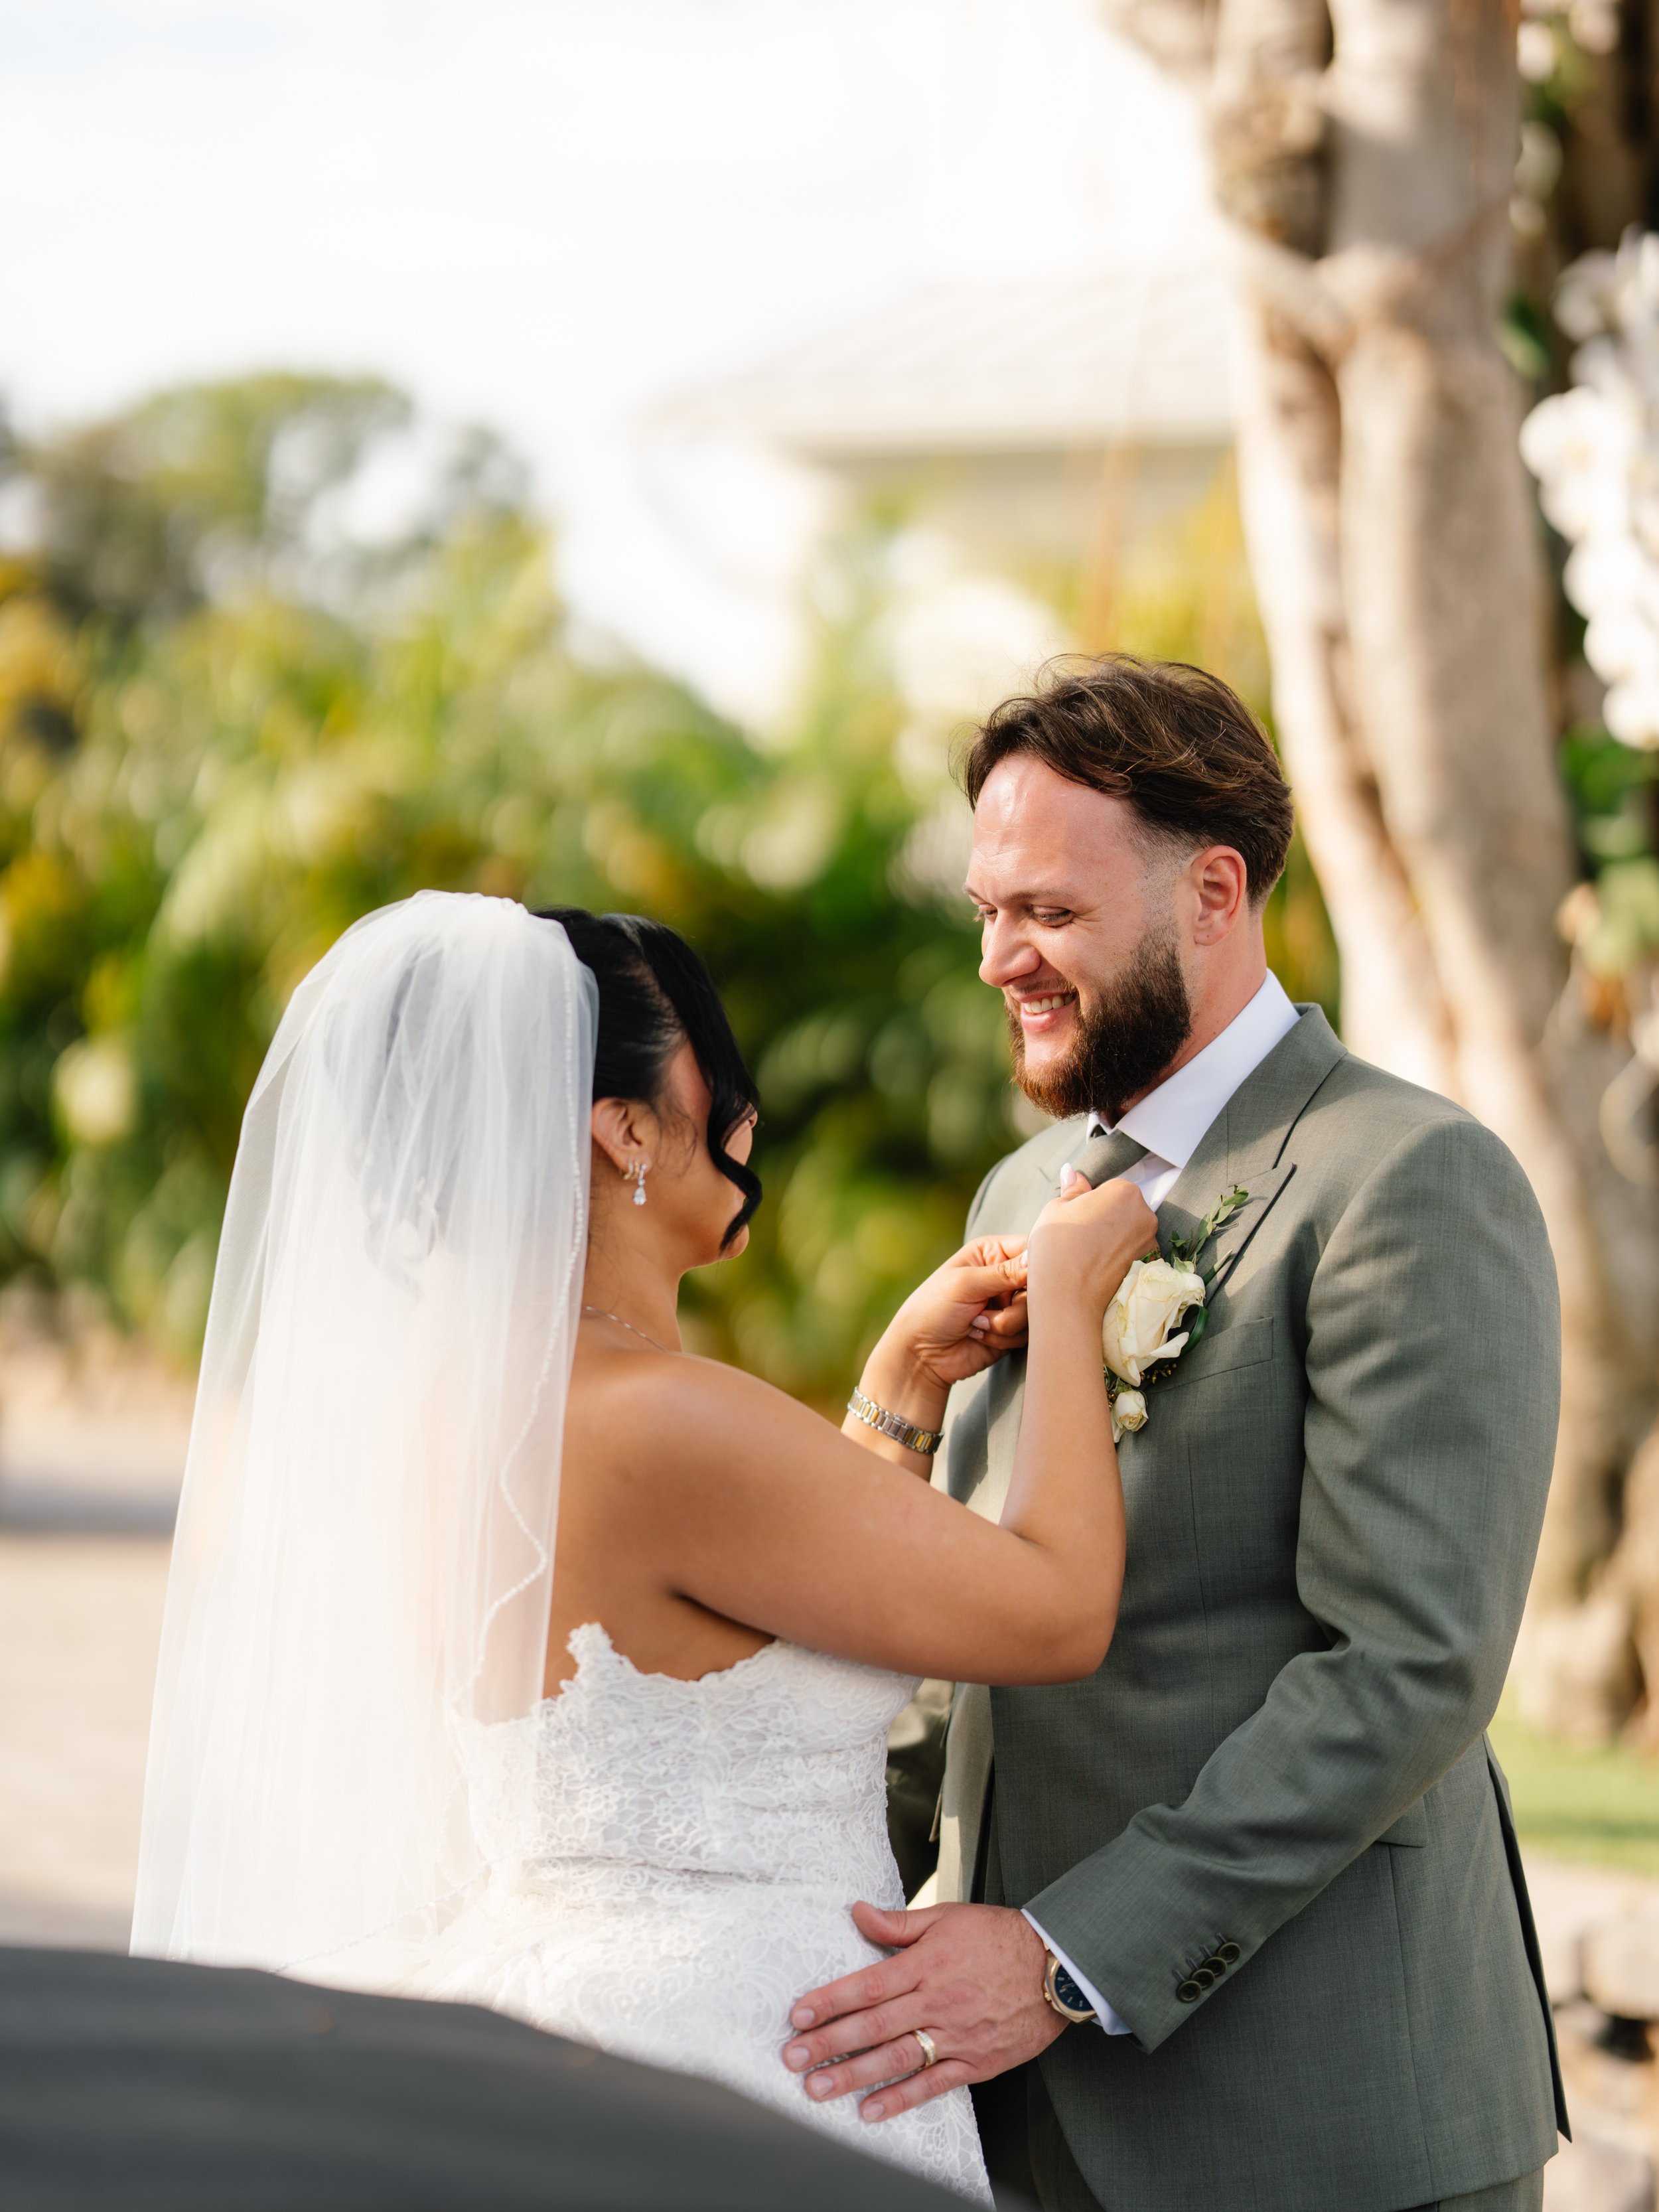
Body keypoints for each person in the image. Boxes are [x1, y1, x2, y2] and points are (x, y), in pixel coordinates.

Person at [131, 887, 1154, 2206]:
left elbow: (730, 1626)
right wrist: (1069, 1303)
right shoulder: (665, 1418)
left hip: (548, 2025)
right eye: (708, 1063)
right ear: (620, 1125)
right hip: (742, 2061)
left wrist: (899, 1381)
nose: (741, 1104)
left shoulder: (445, 1419)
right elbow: (1055, 1613)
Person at [783, 655, 1566, 2212]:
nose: (1001, 956)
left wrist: (1063, 1958)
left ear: (1212, 889)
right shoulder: (1021, 1199)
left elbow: (1404, 1663)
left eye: (1050, 914)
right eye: (987, 912)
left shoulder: (1405, 1178)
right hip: (1012, 2118)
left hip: (1322, 2116)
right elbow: (964, 1637)